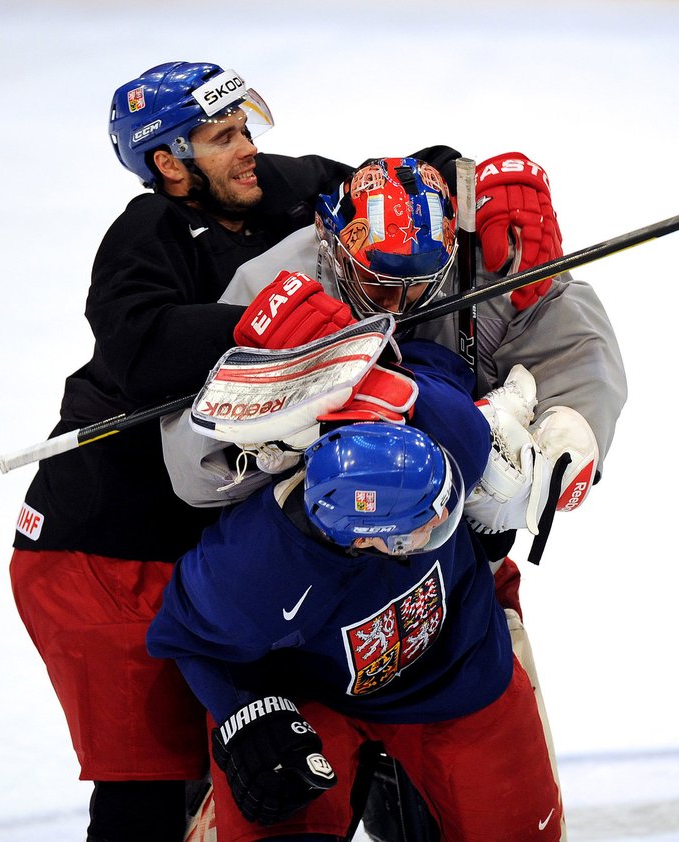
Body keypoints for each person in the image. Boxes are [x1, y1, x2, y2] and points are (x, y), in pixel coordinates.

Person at [7, 61, 558, 841]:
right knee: (156, 795)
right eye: (222, 137)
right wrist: (249, 321)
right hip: (109, 555)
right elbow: (134, 343)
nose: (248, 151)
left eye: (246, 128)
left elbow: (389, 185)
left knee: (334, 746)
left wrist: (481, 181)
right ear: (168, 163)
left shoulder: (282, 186)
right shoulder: (147, 234)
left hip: (232, 536)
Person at [160, 155, 625, 838]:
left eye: (422, 287)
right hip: (303, 674)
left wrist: (572, 415)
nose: (406, 307)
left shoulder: (456, 420)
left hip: (457, 656)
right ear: (333, 246)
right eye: (382, 287)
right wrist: (243, 713)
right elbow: (190, 477)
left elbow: (546, 316)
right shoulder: (262, 562)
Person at [147, 340, 566, 841]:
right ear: (362, 536)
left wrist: (509, 416)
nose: (440, 526)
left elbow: (436, 363)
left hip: (459, 666)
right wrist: (243, 712)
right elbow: (182, 635)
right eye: (415, 531)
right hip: (315, 696)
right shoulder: (256, 572)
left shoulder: (451, 427)